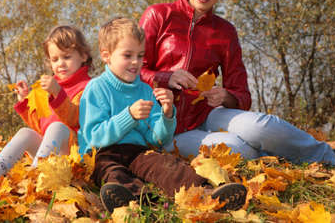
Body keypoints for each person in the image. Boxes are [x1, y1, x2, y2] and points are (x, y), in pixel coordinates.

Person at [139, 0, 335, 165]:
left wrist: (225, 96)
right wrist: (166, 77)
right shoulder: (158, 15)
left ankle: (329, 156)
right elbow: (131, 72)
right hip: (166, 126)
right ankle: (279, 160)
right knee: (237, 149)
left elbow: (242, 94)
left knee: (263, 126)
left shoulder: (225, 31)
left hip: (208, 114)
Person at [78, 18, 247, 214]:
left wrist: (167, 115)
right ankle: (133, 202)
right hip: (103, 152)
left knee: (166, 165)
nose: (135, 62)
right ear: (106, 56)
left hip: (138, 151)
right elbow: (94, 137)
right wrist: (129, 116)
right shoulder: (96, 88)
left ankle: (206, 194)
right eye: (127, 55)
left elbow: (157, 139)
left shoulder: (145, 90)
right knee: (111, 172)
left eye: (140, 56)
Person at [0, 25, 92, 177]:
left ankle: (35, 179)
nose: (60, 64)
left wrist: (58, 93)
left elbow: (75, 118)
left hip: (73, 155)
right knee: (26, 133)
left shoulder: (88, 87)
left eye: (67, 57)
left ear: (83, 56)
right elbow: (40, 127)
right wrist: (25, 101)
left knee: (57, 127)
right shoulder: (47, 89)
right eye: (55, 59)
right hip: (47, 155)